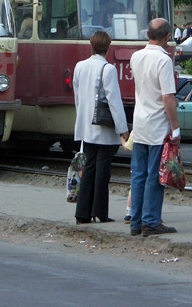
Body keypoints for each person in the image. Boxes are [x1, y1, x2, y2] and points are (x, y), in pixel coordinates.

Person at [129, 18, 180, 237]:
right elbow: (167, 97)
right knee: (155, 175)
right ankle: (150, 221)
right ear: (168, 36)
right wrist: (176, 127)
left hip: (139, 123)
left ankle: (135, 221)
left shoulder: (136, 56)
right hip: (158, 126)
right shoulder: (164, 60)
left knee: (138, 175)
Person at [73, 31, 129, 224]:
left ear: (91, 45)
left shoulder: (79, 66)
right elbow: (114, 101)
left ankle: (82, 213)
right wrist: (123, 128)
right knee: (103, 171)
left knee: (89, 168)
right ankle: (100, 211)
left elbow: (78, 96)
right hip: (103, 128)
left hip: (86, 126)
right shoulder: (108, 69)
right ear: (108, 46)